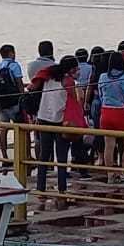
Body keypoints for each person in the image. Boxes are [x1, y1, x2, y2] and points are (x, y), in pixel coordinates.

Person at [30, 56, 81, 208]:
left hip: (44, 118)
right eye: (76, 69)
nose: (78, 71)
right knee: (62, 157)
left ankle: (40, 188)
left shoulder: (48, 77)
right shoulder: (68, 82)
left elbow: (34, 85)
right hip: (60, 122)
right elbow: (75, 101)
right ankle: (62, 188)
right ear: (71, 69)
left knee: (44, 156)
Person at [97, 52, 124, 184]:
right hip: (121, 112)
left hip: (106, 112)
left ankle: (110, 175)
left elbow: (101, 95)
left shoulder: (103, 77)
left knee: (109, 145)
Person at [0, 44, 25, 164]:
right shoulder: (14, 66)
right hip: (13, 102)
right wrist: (23, 97)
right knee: (21, 129)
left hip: (1, 103)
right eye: (13, 52)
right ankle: (21, 156)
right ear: (10, 53)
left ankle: (5, 157)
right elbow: (19, 83)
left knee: (3, 128)